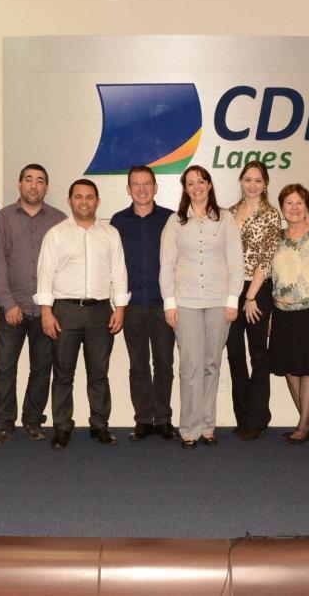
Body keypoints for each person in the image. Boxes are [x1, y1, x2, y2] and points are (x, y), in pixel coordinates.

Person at [35, 179, 129, 450]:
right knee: (63, 373)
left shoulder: (110, 233)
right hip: (64, 311)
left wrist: (120, 308)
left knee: (99, 373)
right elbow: (45, 274)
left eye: (89, 197)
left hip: (100, 311)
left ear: (97, 201)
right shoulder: (56, 234)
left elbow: (119, 272)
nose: (84, 201)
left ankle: (99, 426)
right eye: (78, 196)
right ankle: (62, 427)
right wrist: (46, 312)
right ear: (70, 200)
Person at [0, 163, 66, 447]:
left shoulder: (59, 220)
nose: (34, 185)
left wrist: (50, 307)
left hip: (46, 311)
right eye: (28, 179)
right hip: (12, 309)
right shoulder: (3, 218)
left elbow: (64, 268)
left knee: (42, 368)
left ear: (46, 187)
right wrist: (8, 304)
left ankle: (32, 420)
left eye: (40, 180)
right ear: (19, 184)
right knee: (4, 368)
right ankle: (3, 422)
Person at [160, 165, 243, 450]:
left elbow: (235, 262)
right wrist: (169, 303)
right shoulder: (175, 221)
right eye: (190, 183)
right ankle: (189, 429)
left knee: (211, 364)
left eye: (201, 181)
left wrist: (232, 300)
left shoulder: (226, 219)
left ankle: (207, 426)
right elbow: (167, 265)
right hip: (186, 302)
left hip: (219, 302)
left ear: (209, 185)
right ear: (185, 189)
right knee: (190, 366)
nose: (196, 187)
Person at [110, 166, 178, 442]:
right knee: (138, 365)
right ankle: (142, 420)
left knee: (164, 364)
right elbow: (112, 265)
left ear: (155, 187)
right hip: (133, 305)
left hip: (163, 304)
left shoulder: (171, 219)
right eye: (136, 184)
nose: (141, 189)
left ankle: (163, 419)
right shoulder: (118, 222)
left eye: (147, 183)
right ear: (128, 189)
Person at [269, 184, 309, 445]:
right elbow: (272, 278)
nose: (294, 208)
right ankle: (308, 422)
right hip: (282, 312)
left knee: (308, 370)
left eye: (299, 203)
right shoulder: (277, 237)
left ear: (306, 208)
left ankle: (302, 426)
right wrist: (271, 314)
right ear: (282, 208)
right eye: (289, 203)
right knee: (289, 370)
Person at [225, 161, 281, 441]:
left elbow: (266, 258)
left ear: (265, 184)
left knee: (258, 355)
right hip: (230, 290)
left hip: (256, 290)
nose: (252, 185)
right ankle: (243, 417)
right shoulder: (229, 213)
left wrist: (250, 296)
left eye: (258, 180)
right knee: (235, 355)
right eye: (248, 179)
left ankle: (257, 419)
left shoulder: (271, 215)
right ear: (241, 181)